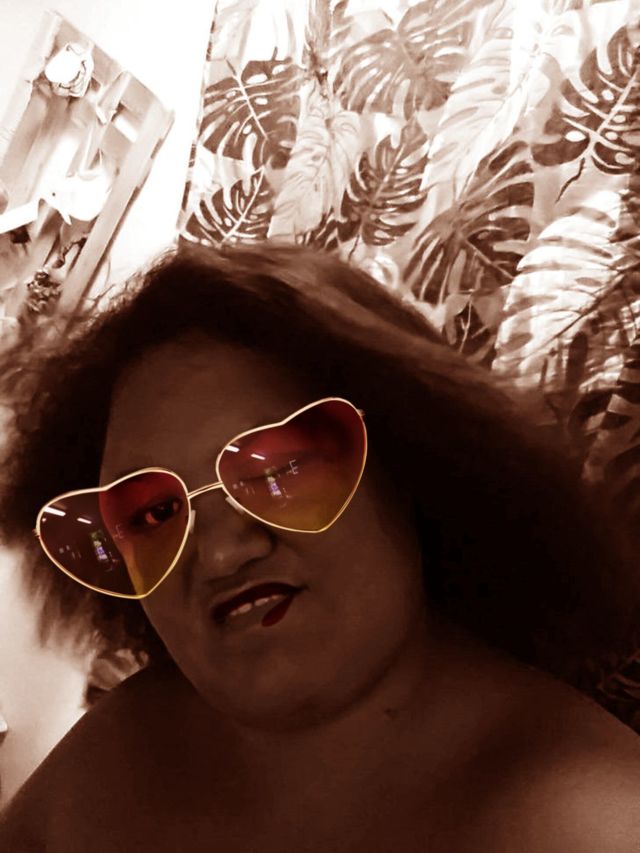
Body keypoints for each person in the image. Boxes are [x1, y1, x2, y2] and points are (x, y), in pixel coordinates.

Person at [0, 241, 639, 852]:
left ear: (411, 466)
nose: (220, 554)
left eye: (279, 470)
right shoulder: (125, 738)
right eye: (152, 513)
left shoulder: (590, 820)